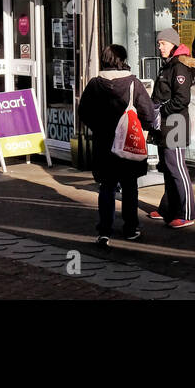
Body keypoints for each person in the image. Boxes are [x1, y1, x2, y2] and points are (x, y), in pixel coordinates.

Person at [77, 44, 158, 247]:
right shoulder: (133, 84)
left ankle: (104, 231)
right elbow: (148, 113)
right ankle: (131, 229)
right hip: (128, 143)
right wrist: (144, 130)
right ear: (122, 59)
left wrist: (99, 126)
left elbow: (83, 112)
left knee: (107, 187)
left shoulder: (95, 84)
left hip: (104, 144)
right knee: (130, 187)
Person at [149, 27, 195, 228]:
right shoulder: (168, 65)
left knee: (178, 169)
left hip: (175, 125)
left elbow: (182, 99)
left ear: (173, 44)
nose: (160, 47)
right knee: (168, 169)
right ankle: (167, 208)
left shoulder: (179, 67)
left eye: (163, 43)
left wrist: (161, 110)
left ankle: (187, 212)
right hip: (165, 126)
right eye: (159, 43)